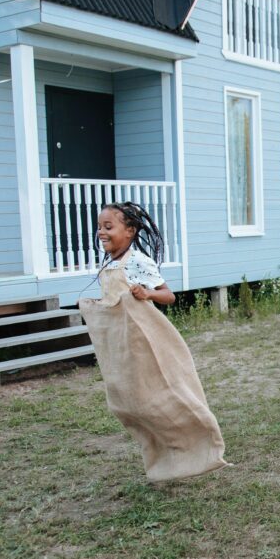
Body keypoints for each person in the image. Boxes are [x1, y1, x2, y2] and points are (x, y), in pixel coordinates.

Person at [79, 202, 228, 481]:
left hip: (144, 342)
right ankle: (165, 454)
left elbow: (168, 295)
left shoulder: (137, 261)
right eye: (99, 227)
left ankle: (197, 441)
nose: (101, 232)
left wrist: (146, 293)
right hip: (121, 347)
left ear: (130, 230)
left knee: (156, 397)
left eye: (108, 227)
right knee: (128, 403)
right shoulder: (111, 264)